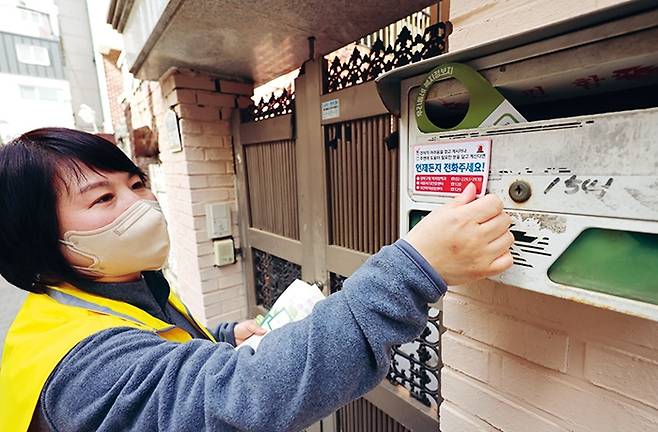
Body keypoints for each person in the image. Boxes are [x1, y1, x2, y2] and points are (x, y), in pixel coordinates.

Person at [0, 128, 513, 432]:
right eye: (102, 199)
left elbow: (162, 360)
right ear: (37, 239)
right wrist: (415, 267)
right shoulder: (81, 369)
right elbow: (242, 396)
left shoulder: (115, 288)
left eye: (136, 184)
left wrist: (223, 337)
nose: (140, 205)